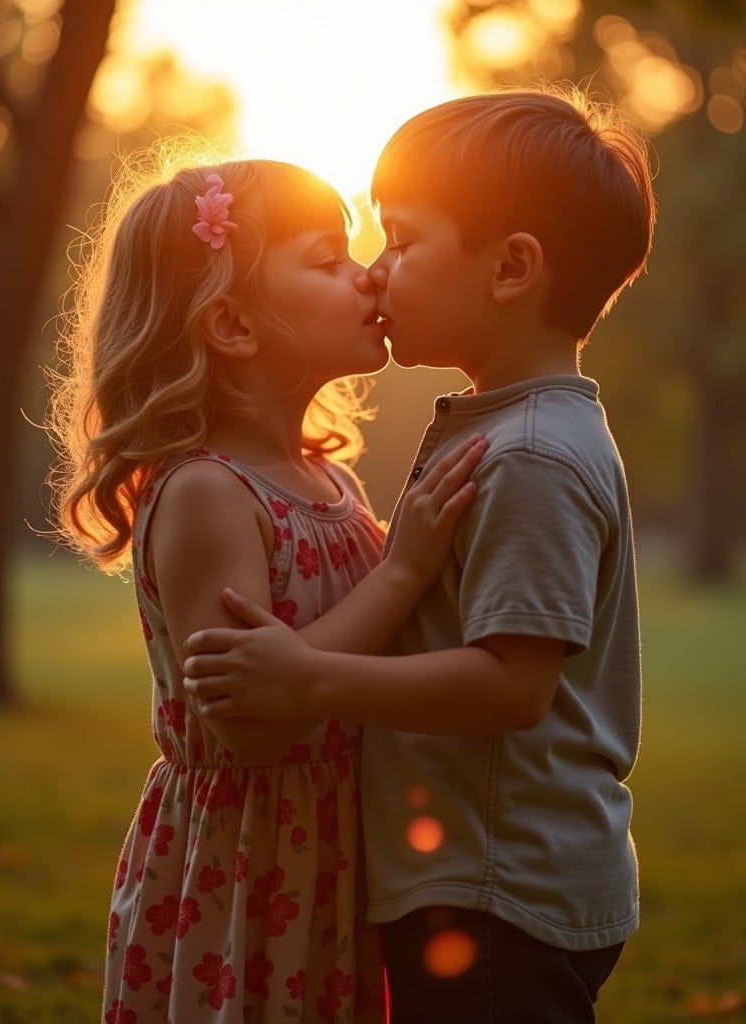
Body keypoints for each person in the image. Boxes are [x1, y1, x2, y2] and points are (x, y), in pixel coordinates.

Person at [183, 84, 657, 1024]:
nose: (376, 271)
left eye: (400, 239)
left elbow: (510, 687)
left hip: (497, 888)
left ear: (511, 268)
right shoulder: (512, 426)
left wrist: (311, 680)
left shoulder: (529, 453)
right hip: (486, 877)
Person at [46, 146, 487, 1023]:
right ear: (234, 326)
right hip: (249, 867)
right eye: (328, 260)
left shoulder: (330, 482)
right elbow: (247, 725)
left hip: (340, 845)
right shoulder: (211, 492)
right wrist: (403, 570)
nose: (368, 277)